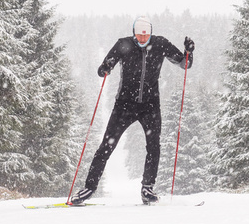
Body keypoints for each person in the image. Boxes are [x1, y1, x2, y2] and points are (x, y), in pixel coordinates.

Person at [71, 16, 194, 205]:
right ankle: (89, 188)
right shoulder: (123, 45)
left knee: (154, 147)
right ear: (134, 32)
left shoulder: (160, 44)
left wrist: (188, 52)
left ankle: (147, 189)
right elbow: (104, 67)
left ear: (150, 33)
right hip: (124, 105)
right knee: (106, 146)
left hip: (150, 106)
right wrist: (105, 68)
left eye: (146, 36)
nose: (143, 39)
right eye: (139, 35)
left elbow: (184, 64)